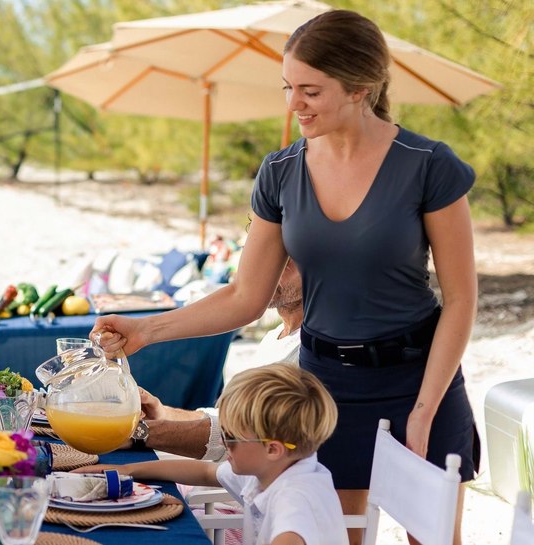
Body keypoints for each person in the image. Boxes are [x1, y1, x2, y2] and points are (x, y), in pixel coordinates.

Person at [92, 10, 477, 544]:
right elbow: (246, 296)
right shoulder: (279, 172)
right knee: (337, 536)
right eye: (288, 87)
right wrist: (147, 330)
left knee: (432, 539)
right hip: (326, 388)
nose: (293, 104)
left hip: (422, 377)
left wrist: (424, 409)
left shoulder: (429, 165)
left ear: (361, 88)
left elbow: (460, 300)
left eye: (311, 91)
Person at [77, 364, 348, 545]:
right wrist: (126, 470)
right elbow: (205, 471)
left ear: (273, 448)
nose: (224, 445)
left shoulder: (295, 499)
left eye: (230, 437)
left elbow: (290, 533)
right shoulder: (274, 468)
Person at [131, 259, 303, 460]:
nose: (274, 264)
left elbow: (247, 439)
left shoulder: (312, 354)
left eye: (291, 255)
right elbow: (231, 420)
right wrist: (162, 413)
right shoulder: (274, 338)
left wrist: (139, 433)